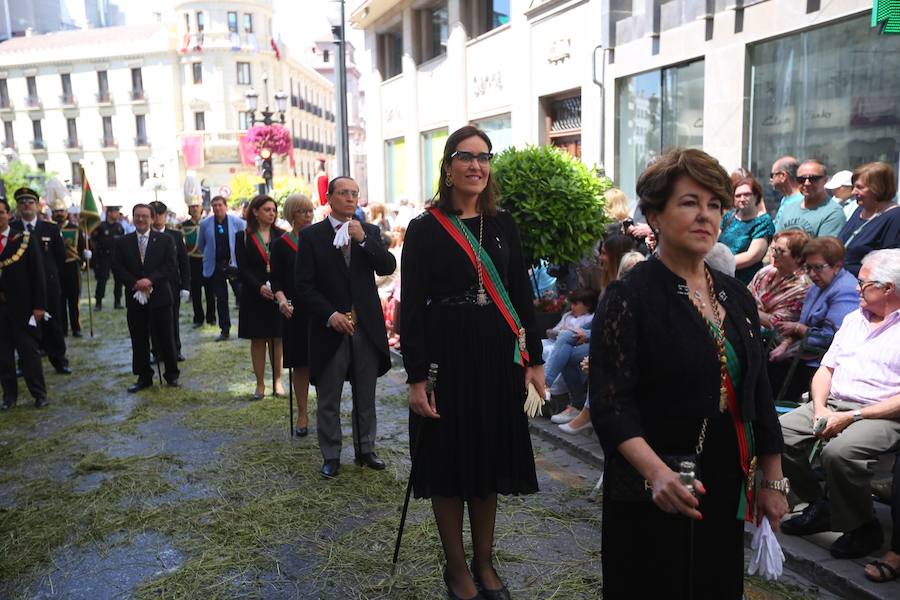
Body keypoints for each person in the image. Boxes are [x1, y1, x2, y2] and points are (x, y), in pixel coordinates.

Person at [590, 148, 787, 600]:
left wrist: (772, 480)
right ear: (655, 215)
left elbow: (758, 390)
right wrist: (657, 473)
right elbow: (610, 404)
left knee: (715, 580)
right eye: (689, 202)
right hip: (653, 477)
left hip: (723, 469)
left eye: (714, 204)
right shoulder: (629, 297)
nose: (706, 215)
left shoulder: (737, 296)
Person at [400, 125, 544, 600]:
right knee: (447, 465)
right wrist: (417, 377)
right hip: (447, 359)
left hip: (495, 359)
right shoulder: (424, 229)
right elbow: (411, 307)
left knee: (487, 463)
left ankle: (484, 563)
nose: (477, 166)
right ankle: (456, 569)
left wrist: (534, 360)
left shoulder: (503, 225)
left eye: (484, 157)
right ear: (448, 166)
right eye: (466, 157)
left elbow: (522, 295)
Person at [780, 249, 900, 560]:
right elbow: (826, 369)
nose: (855, 288)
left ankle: (863, 527)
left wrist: (853, 416)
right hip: (833, 402)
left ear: (888, 288)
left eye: (863, 283)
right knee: (777, 434)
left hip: (881, 413)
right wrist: (820, 408)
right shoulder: (853, 319)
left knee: (840, 453)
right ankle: (821, 504)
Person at [296, 175, 396, 478]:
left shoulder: (369, 231)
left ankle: (366, 449)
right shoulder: (312, 236)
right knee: (329, 395)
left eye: (354, 193)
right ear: (329, 197)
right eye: (344, 193)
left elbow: (387, 266)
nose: (350, 198)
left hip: (365, 325)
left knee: (366, 393)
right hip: (330, 326)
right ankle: (331, 454)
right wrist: (330, 315)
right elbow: (303, 286)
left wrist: (363, 240)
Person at [549, 235, 635, 424]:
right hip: (598, 338)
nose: (599, 257)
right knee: (566, 340)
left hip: (612, 344)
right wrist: (584, 332)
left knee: (569, 352)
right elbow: (601, 319)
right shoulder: (606, 281)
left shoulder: (625, 285)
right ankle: (574, 403)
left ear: (616, 256)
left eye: (604, 253)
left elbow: (618, 327)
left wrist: (587, 334)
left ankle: (553, 389)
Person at [768, 237, 859, 402]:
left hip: (822, 362)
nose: (811, 274)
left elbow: (832, 338)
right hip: (803, 354)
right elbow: (805, 322)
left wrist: (797, 329)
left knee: (775, 376)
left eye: (817, 267)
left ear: (837, 266)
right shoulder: (818, 286)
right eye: (808, 268)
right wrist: (785, 345)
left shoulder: (845, 290)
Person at [112, 204, 180, 392]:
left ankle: (172, 375)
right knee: (139, 338)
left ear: (151, 218)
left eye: (144, 216)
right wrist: (135, 283)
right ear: (133, 217)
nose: (140, 219)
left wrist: (149, 280)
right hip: (135, 297)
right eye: (137, 216)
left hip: (160, 297)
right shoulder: (122, 242)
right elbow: (117, 268)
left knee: (166, 337)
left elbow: (170, 266)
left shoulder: (165, 240)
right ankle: (143, 377)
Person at [10, 188, 71, 375]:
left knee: (54, 325)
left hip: (49, 286)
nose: (26, 205)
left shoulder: (50, 228)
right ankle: (24, 363)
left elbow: (61, 258)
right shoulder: (13, 229)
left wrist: (54, 279)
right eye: (22, 203)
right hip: (23, 288)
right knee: (24, 327)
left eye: (30, 202)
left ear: (37, 205)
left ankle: (59, 361)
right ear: (18, 207)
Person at [0, 197, 50, 409]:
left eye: (0, 212)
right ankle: (9, 397)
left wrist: (39, 305)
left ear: (8, 214)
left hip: (23, 307)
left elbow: (38, 274)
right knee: (3, 357)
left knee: (29, 353)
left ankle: (39, 394)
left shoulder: (23, 239)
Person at [271, 194, 314, 435]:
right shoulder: (281, 244)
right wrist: (281, 301)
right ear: (292, 215)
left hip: (319, 309)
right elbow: (276, 280)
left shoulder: (320, 239)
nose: (308, 215)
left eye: (310, 211)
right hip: (294, 311)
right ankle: (303, 412)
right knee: (300, 363)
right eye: (302, 212)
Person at [235, 195, 285, 400]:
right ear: (255, 211)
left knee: (277, 338)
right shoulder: (243, 236)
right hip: (254, 294)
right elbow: (242, 268)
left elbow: (285, 265)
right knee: (258, 340)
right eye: (266, 209)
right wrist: (258, 287)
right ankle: (260, 384)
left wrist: (278, 288)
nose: (271, 213)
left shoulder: (281, 235)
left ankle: (278, 382)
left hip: (277, 293)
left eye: (273, 210)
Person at [838, 162, 900, 277]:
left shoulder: (895, 218)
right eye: (853, 187)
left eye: (859, 187)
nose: (853, 192)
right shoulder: (859, 210)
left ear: (878, 187)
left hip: (862, 288)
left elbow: (888, 266)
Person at [198, 195, 246, 341]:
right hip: (216, 266)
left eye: (220, 205)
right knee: (221, 299)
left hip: (233, 265)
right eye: (215, 205)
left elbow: (243, 241)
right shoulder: (205, 224)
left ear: (226, 206)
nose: (217, 208)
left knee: (242, 295)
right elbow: (202, 244)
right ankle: (225, 329)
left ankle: (247, 326)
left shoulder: (237, 222)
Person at [748, 229, 813, 332]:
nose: (773, 255)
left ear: (798, 257)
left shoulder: (803, 288)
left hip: (773, 342)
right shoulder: (765, 272)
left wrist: (747, 310)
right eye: (774, 249)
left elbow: (777, 324)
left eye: (781, 251)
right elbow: (744, 297)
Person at [150, 201, 190, 361]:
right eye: (155, 214)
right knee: (152, 319)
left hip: (172, 284)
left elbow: (183, 262)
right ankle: (156, 351)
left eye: (161, 214)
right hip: (151, 284)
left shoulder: (176, 235)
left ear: (166, 216)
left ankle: (176, 349)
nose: (158, 218)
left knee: (172, 318)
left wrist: (185, 286)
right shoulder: (144, 235)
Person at [719, 176, 774, 284]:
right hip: (721, 278)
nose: (742, 199)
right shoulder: (729, 217)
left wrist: (718, 264)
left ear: (756, 196)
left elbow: (752, 257)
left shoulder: (763, 221)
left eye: (747, 194)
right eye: (738, 195)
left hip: (745, 283)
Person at [774, 160, 846, 237]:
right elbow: (775, 241)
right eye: (801, 179)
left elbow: (824, 248)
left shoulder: (833, 213)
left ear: (825, 180)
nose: (807, 183)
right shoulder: (788, 209)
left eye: (813, 179)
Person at [53, 201, 87, 337]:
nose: (59, 213)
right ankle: (62, 329)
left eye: (61, 211)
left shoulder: (75, 228)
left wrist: (85, 257)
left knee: (73, 300)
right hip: (55, 269)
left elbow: (81, 247)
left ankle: (76, 328)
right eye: (56, 211)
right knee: (59, 300)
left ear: (66, 213)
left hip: (72, 268)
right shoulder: (49, 228)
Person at [90, 204, 125, 311]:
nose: (117, 214)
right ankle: (98, 303)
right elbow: (93, 241)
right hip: (103, 257)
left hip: (116, 257)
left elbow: (122, 241)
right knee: (102, 280)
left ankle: (117, 302)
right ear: (109, 213)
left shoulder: (119, 227)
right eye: (115, 212)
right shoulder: (101, 226)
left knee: (118, 280)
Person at [180, 199, 206, 328]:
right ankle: (198, 317)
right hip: (192, 259)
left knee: (210, 290)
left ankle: (211, 317)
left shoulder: (207, 223)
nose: (195, 209)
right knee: (195, 291)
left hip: (206, 259)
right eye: (192, 206)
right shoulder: (184, 225)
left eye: (197, 206)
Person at [770, 155, 802, 220]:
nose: (771, 179)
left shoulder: (801, 201)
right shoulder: (785, 198)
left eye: (772, 175)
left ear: (783, 176)